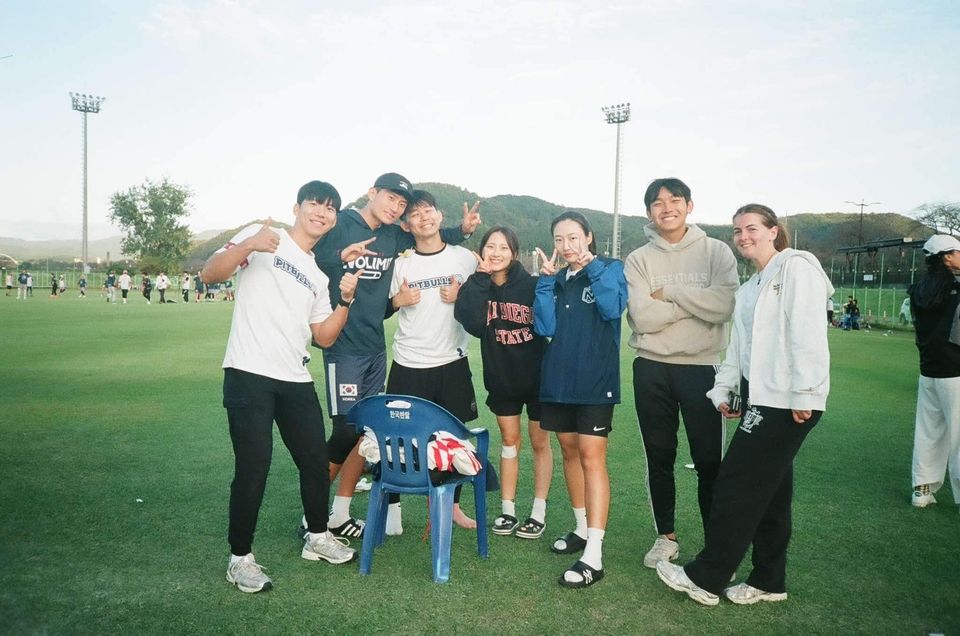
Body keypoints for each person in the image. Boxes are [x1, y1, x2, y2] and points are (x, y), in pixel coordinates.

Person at [656, 203, 832, 606]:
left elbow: (807, 332)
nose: (743, 236)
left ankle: (706, 577)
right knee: (771, 492)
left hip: (789, 400)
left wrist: (805, 393)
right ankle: (769, 581)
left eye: (751, 228)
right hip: (761, 396)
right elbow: (739, 348)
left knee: (736, 482)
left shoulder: (796, 267)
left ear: (773, 231)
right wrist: (724, 391)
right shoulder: (752, 286)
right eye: (737, 231)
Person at [201, 180, 361, 594]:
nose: (322, 213)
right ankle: (240, 559)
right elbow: (209, 274)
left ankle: (318, 535)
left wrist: (345, 301)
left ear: (334, 219)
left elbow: (323, 336)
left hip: (295, 378)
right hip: (249, 373)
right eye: (315, 204)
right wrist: (249, 245)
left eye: (330, 209)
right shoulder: (262, 236)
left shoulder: (317, 273)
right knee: (254, 467)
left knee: (314, 461)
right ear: (297, 207)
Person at [305, 172, 480, 540]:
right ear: (372, 193)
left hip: (374, 348)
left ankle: (338, 513)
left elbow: (430, 235)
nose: (396, 207)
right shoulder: (344, 222)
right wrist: (341, 257)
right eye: (391, 199)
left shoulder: (393, 235)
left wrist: (461, 231)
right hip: (344, 344)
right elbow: (311, 254)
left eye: (402, 204)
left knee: (369, 432)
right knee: (344, 432)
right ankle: (313, 514)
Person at [623, 178, 738, 569]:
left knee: (709, 461)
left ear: (689, 206)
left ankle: (715, 544)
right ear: (649, 212)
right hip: (652, 366)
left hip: (703, 368)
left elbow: (723, 305)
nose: (666, 207)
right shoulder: (638, 258)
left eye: (675, 200)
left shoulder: (716, 251)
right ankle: (666, 537)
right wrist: (695, 305)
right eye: (657, 203)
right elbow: (641, 316)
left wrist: (669, 294)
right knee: (659, 456)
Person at [533, 211, 627, 589]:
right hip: (558, 382)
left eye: (573, 237)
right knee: (569, 451)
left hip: (595, 383)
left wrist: (595, 271)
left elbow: (612, 308)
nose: (567, 246)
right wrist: (543, 283)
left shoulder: (610, 269)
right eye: (559, 239)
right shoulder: (557, 280)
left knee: (591, 458)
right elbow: (545, 327)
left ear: (589, 237)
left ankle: (595, 554)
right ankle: (581, 528)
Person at [382, 189, 480, 534]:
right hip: (409, 364)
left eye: (429, 211)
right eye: (415, 214)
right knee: (397, 440)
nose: (424, 218)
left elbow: (489, 290)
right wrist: (397, 299)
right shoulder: (401, 264)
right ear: (406, 225)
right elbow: (377, 309)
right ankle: (391, 512)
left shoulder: (464, 259)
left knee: (453, 441)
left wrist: (462, 295)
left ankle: (450, 508)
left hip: (452, 363)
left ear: (440, 216)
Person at [455, 225, 553, 540]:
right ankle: (508, 509)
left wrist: (549, 283)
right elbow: (470, 321)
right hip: (502, 379)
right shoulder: (477, 285)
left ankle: (538, 512)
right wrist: (480, 278)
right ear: (482, 251)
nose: (496, 253)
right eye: (491, 246)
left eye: (504, 248)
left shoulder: (531, 285)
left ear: (513, 253)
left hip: (538, 379)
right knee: (509, 442)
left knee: (540, 443)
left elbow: (551, 322)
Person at [907, 234, 960, 509]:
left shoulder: (919, 289)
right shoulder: (957, 287)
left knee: (929, 432)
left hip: (929, 369)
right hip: (956, 370)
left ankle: (922, 490)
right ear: (947, 256)